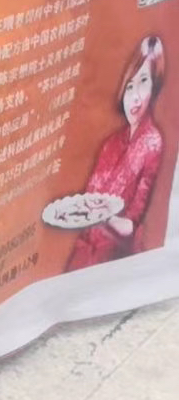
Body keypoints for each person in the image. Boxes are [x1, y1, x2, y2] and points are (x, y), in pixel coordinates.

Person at [66, 36, 166, 271]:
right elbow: (88, 197)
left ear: (154, 85)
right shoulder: (110, 143)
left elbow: (131, 225)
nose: (135, 95)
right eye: (130, 86)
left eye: (143, 81)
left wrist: (102, 217)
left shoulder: (152, 142)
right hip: (84, 252)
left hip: (116, 260)